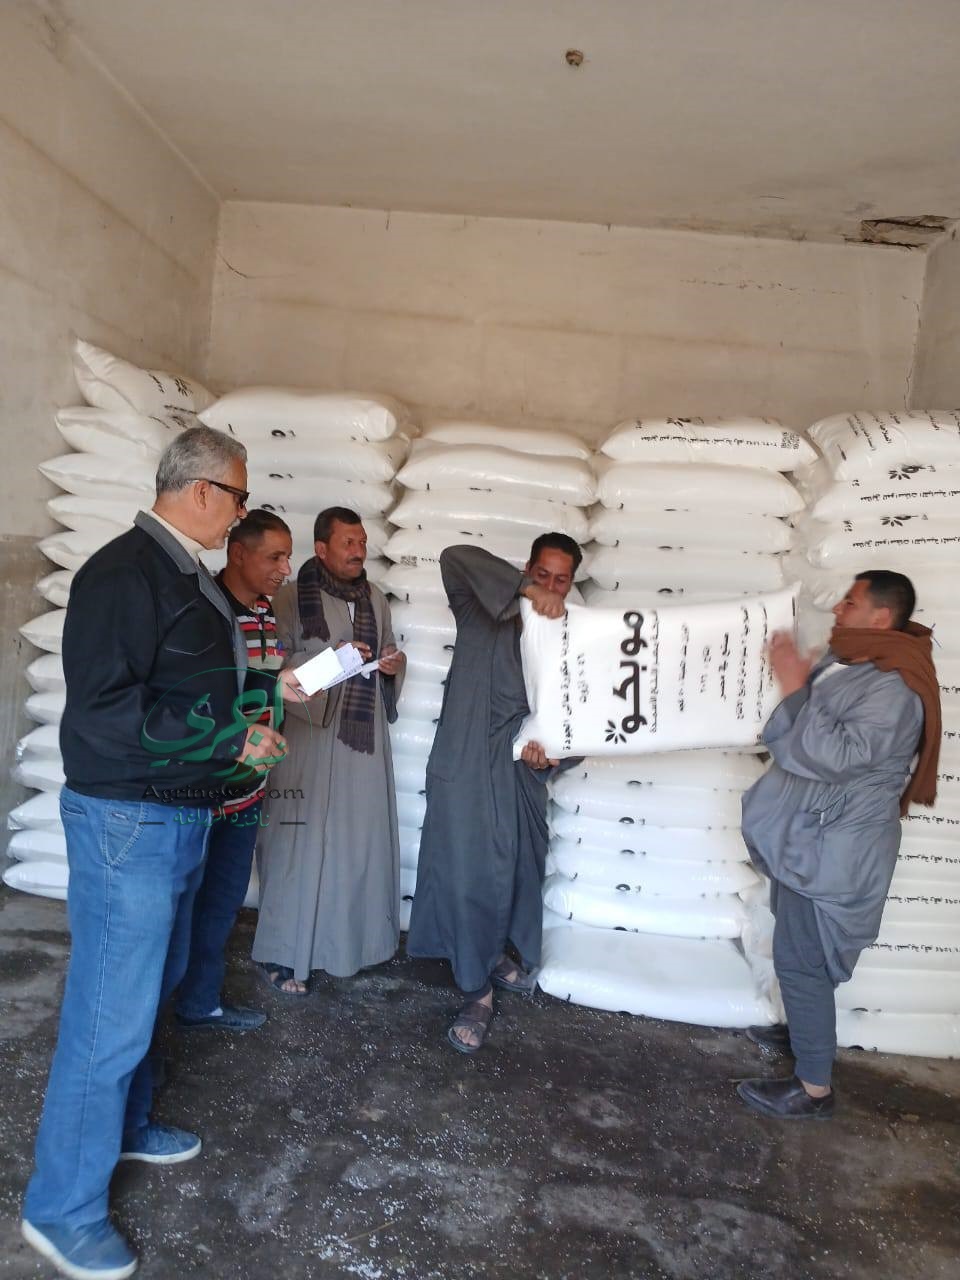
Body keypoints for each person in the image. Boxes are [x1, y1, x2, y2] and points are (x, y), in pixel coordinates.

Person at [21, 427, 302, 1279]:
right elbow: (106, 712)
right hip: (128, 824)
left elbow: (193, 689)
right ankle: (60, 1209)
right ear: (204, 490)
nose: (242, 513)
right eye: (240, 496)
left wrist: (259, 704)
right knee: (107, 1016)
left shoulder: (187, 576)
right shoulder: (123, 574)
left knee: (152, 989)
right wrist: (227, 740)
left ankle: (129, 1126)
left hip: (179, 817)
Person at [737, 571, 941, 1120]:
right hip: (813, 834)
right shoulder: (859, 661)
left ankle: (813, 1090)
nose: (838, 611)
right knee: (798, 947)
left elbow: (839, 756)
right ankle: (807, 1034)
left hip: (834, 847)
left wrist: (793, 686)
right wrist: (804, 683)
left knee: (803, 960)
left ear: (880, 617)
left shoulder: (895, 686)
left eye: (850, 602)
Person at [406, 535, 582, 1055]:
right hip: (465, 766)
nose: (551, 587)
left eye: (561, 580)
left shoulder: (571, 638)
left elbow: (581, 716)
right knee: (469, 876)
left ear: (573, 583)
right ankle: (475, 989)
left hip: (518, 775)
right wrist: (527, 590)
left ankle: (497, 954)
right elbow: (452, 556)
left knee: (519, 869)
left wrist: (553, 757)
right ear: (526, 568)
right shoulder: (480, 608)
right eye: (542, 574)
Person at [251, 506, 406, 991]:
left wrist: (391, 664)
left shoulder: (375, 599)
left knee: (354, 845)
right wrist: (331, 659)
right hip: (308, 738)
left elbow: (388, 649)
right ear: (321, 549)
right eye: (348, 543)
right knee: (295, 842)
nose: (359, 551)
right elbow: (274, 665)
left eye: (362, 542)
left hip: (361, 741)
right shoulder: (291, 597)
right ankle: (281, 952)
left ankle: (350, 947)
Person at [174, 509, 293, 1033]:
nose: (285, 569)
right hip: (204, 789)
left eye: (288, 557)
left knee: (222, 901)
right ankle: (160, 1011)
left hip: (249, 787)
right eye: (275, 557)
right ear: (238, 554)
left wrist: (286, 687)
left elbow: (259, 685)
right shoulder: (206, 613)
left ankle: (200, 1002)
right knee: (182, 903)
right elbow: (196, 700)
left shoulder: (264, 611)